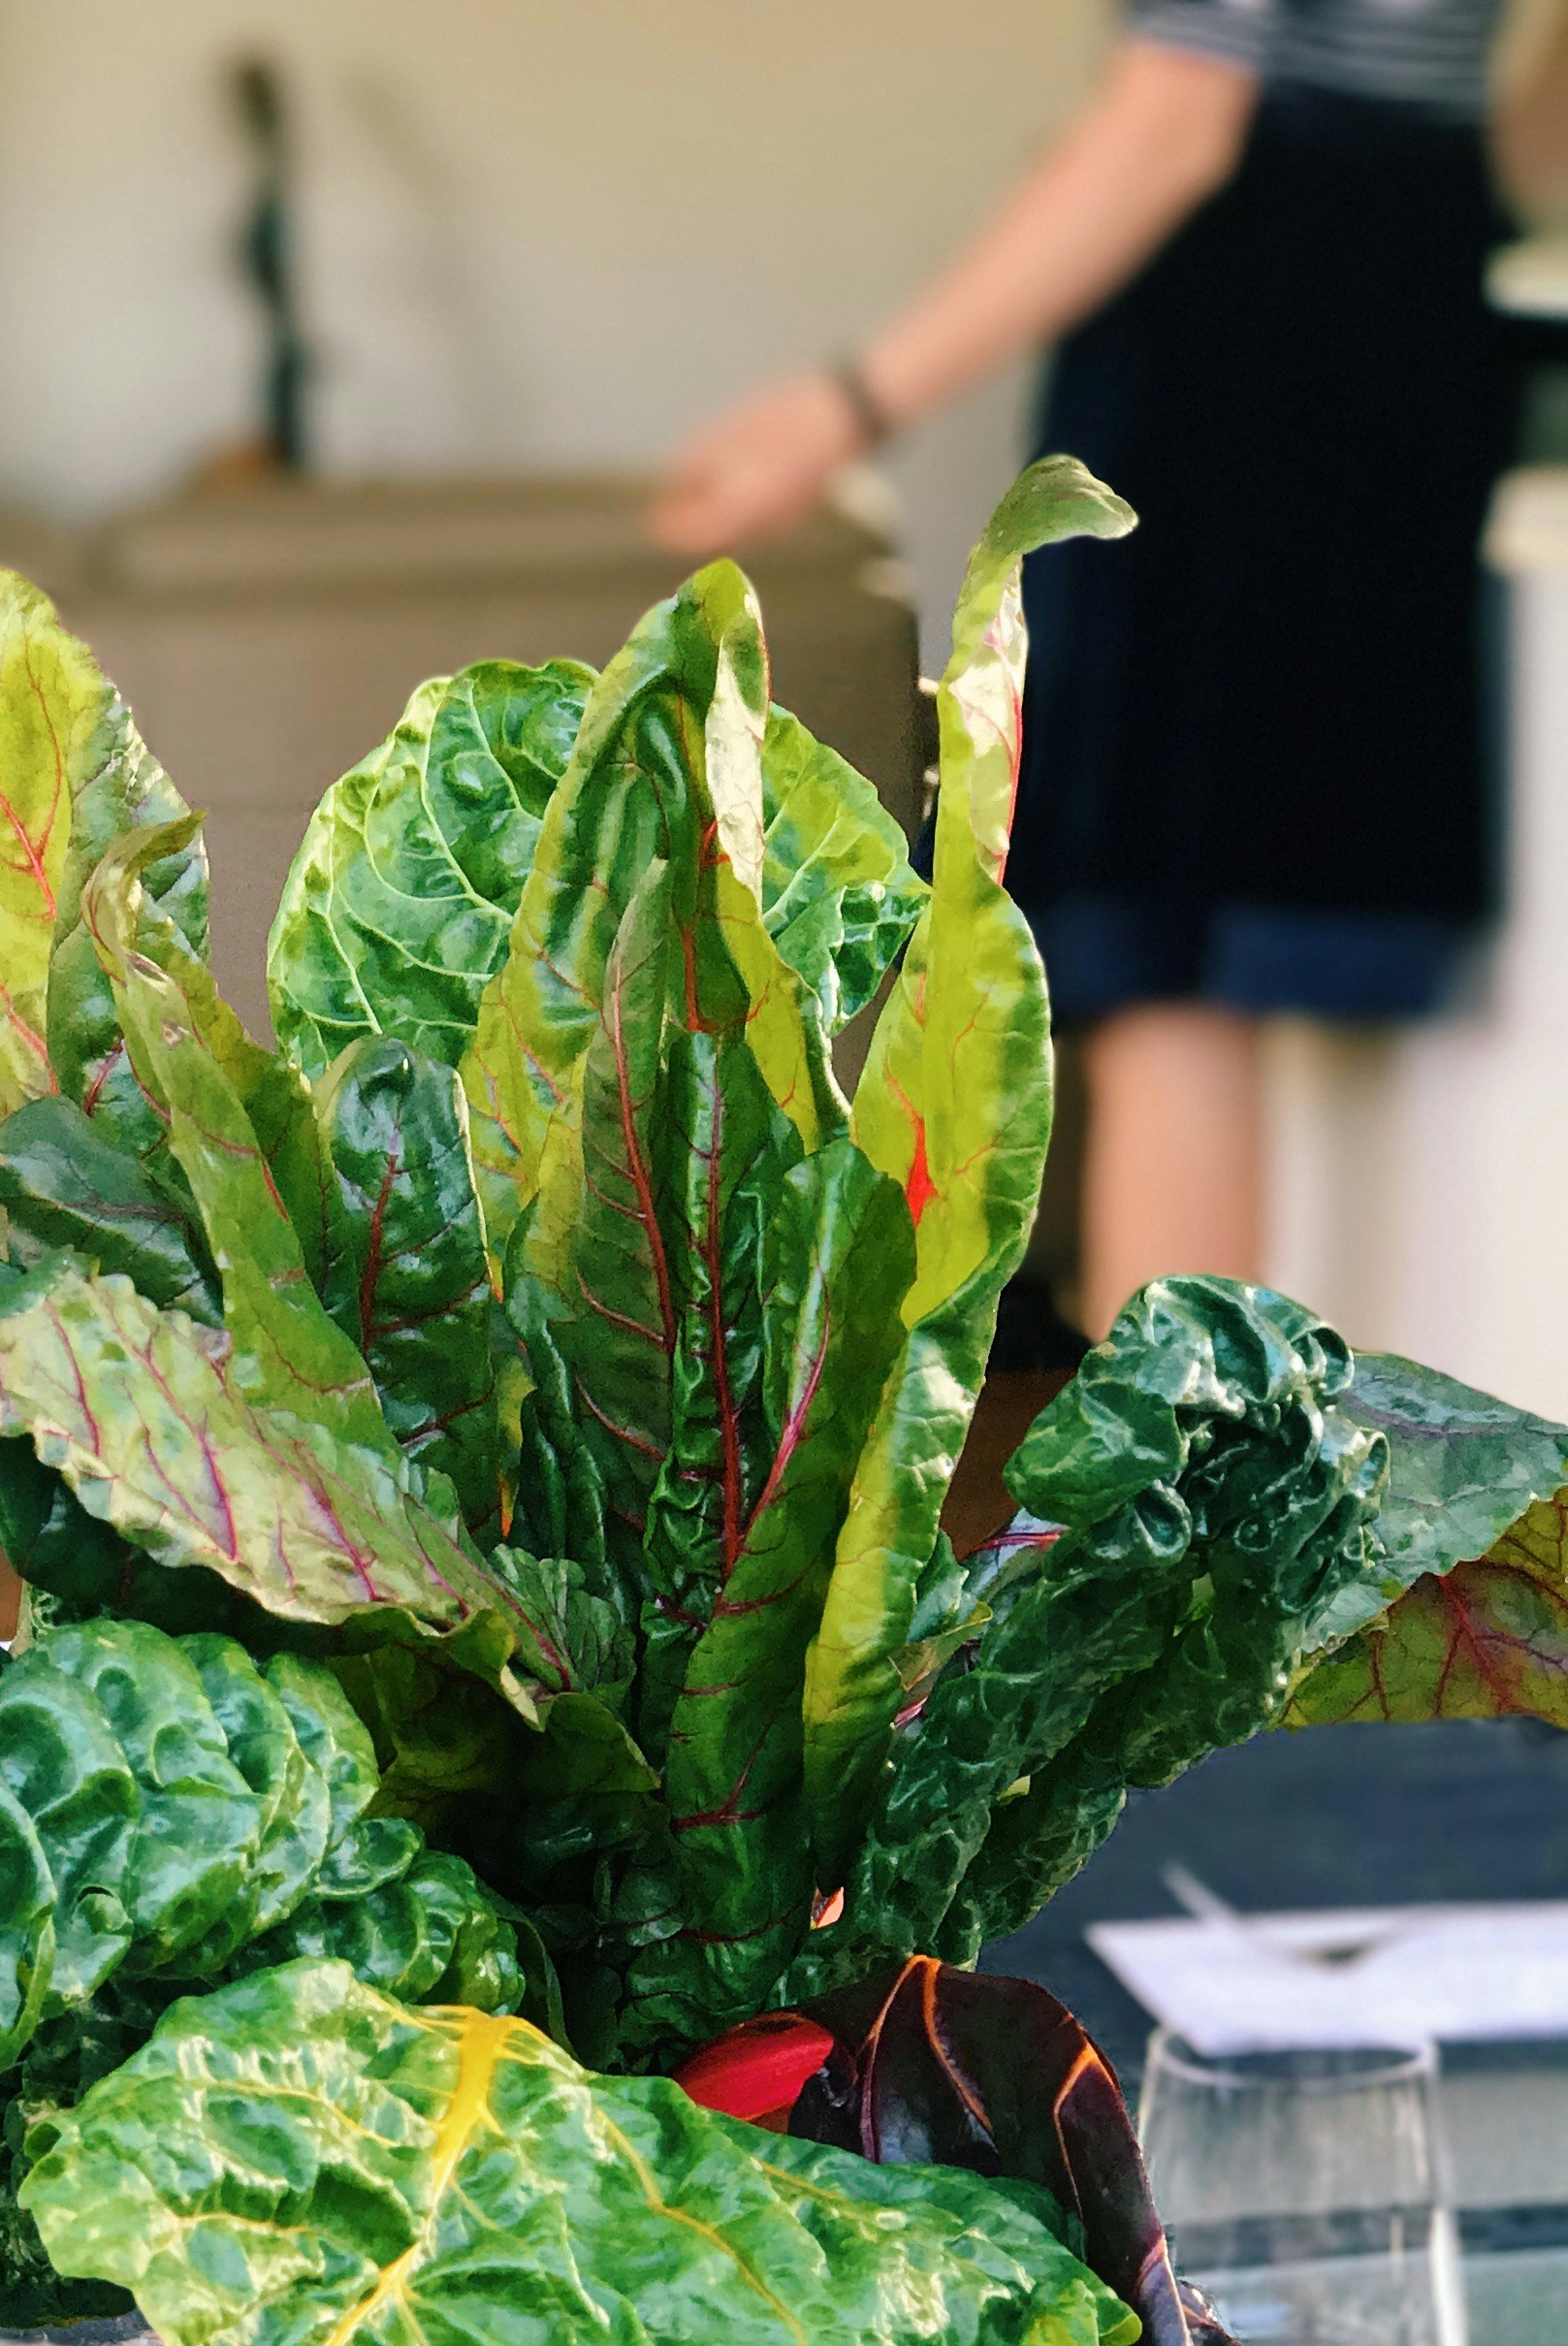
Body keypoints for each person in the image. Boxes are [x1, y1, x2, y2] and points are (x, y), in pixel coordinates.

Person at [652, 5, 1568, 1345]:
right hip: (1408, 319)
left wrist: (847, 406)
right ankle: (1212, 1447)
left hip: (1231, 360)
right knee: (1250, 931)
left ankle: (1168, 1472)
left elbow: (1173, 124)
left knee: (1164, 960)